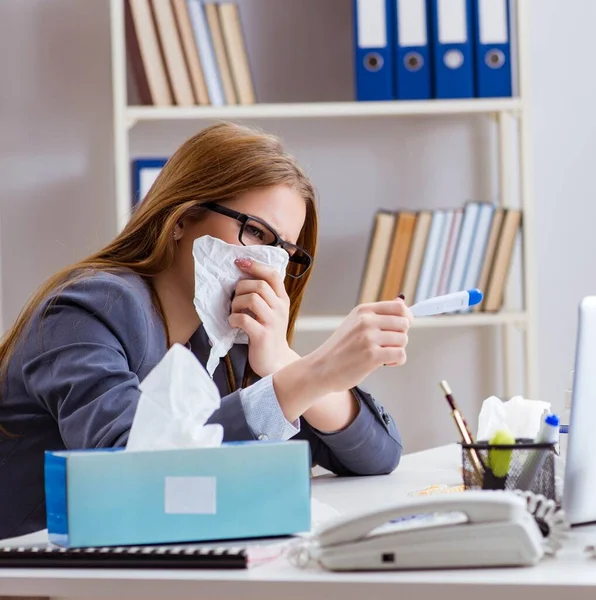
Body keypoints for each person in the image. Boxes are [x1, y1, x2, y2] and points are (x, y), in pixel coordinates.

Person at [0, 122, 412, 539]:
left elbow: (379, 455)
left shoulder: (226, 334)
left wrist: (282, 362)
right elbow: (135, 474)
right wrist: (306, 377)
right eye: (255, 232)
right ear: (182, 218)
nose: (270, 263)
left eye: (286, 251)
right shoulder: (89, 309)